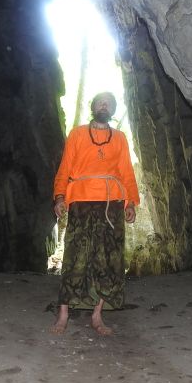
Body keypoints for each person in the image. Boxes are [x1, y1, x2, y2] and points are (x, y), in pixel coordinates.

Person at [50, 92, 139, 336]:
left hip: (112, 204)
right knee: (75, 256)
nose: (104, 105)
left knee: (108, 260)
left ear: (112, 110)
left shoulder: (119, 138)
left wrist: (131, 203)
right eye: (100, 101)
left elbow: (127, 173)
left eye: (109, 103)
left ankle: (97, 315)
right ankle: (64, 313)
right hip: (81, 200)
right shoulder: (78, 134)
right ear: (93, 106)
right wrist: (60, 197)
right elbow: (65, 168)